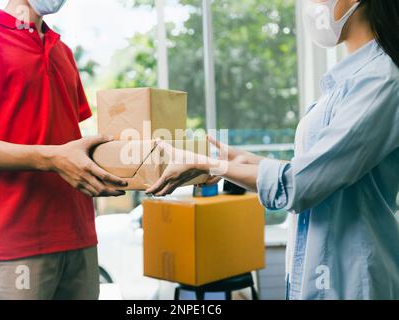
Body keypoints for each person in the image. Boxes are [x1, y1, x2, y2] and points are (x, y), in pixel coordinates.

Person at [147, 0, 399, 300]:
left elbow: (300, 185)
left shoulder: (381, 79)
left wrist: (210, 166)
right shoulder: (346, 80)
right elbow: (318, 170)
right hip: (322, 272)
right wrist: (251, 162)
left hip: (353, 279)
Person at [0, 0, 128, 300]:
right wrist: (50, 159)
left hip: (80, 238)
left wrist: (134, 165)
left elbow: (70, 143)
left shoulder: (63, 51)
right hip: (15, 245)